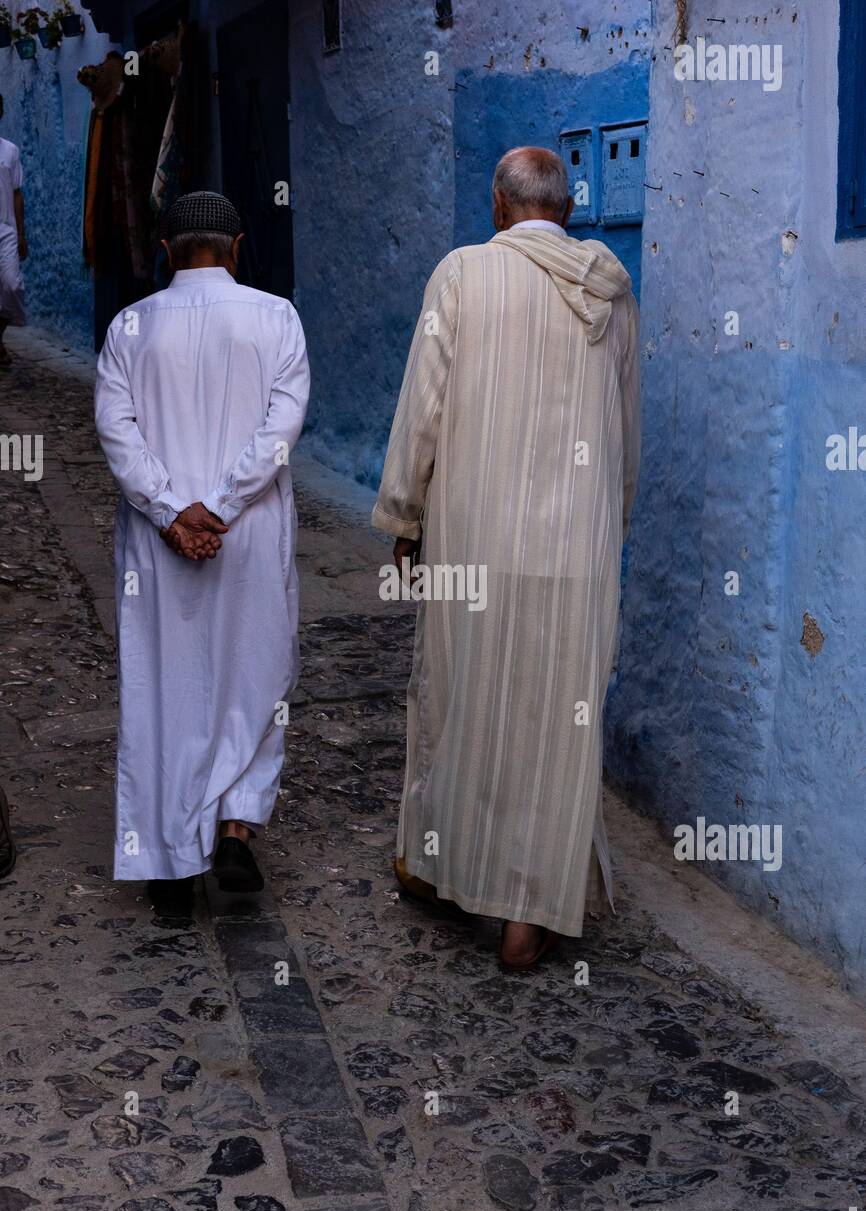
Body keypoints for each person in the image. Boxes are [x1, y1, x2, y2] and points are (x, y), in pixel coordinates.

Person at [373, 147, 640, 970]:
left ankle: (443, 864)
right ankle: (531, 913)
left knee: (469, 703)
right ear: (565, 209)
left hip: (477, 543)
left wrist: (405, 518)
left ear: (499, 208)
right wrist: (610, 524)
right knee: (561, 726)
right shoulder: (611, 291)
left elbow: (425, 405)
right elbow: (627, 432)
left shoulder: (462, 275)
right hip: (577, 551)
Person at [95, 191, 310, 917]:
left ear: (165, 248)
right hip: (246, 531)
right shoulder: (276, 318)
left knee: (165, 685)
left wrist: (169, 509)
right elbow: (284, 423)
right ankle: (237, 825)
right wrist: (221, 505)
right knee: (254, 676)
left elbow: (117, 433)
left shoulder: (129, 327)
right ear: (237, 247)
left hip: (161, 546)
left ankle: (170, 865)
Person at [0, 96, 27, 366]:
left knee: (12, 285)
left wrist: (21, 233)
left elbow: (18, 194)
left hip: (6, 229)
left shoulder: (10, 150)